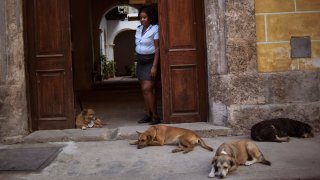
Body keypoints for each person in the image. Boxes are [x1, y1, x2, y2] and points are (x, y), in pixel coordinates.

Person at [135, 5, 160, 125]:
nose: (142, 19)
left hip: (150, 62)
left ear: (150, 18)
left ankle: (155, 116)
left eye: (144, 17)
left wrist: (155, 66)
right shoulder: (139, 29)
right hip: (140, 62)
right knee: (144, 90)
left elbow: (158, 48)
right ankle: (147, 114)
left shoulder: (155, 29)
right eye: (141, 17)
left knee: (147, 89)